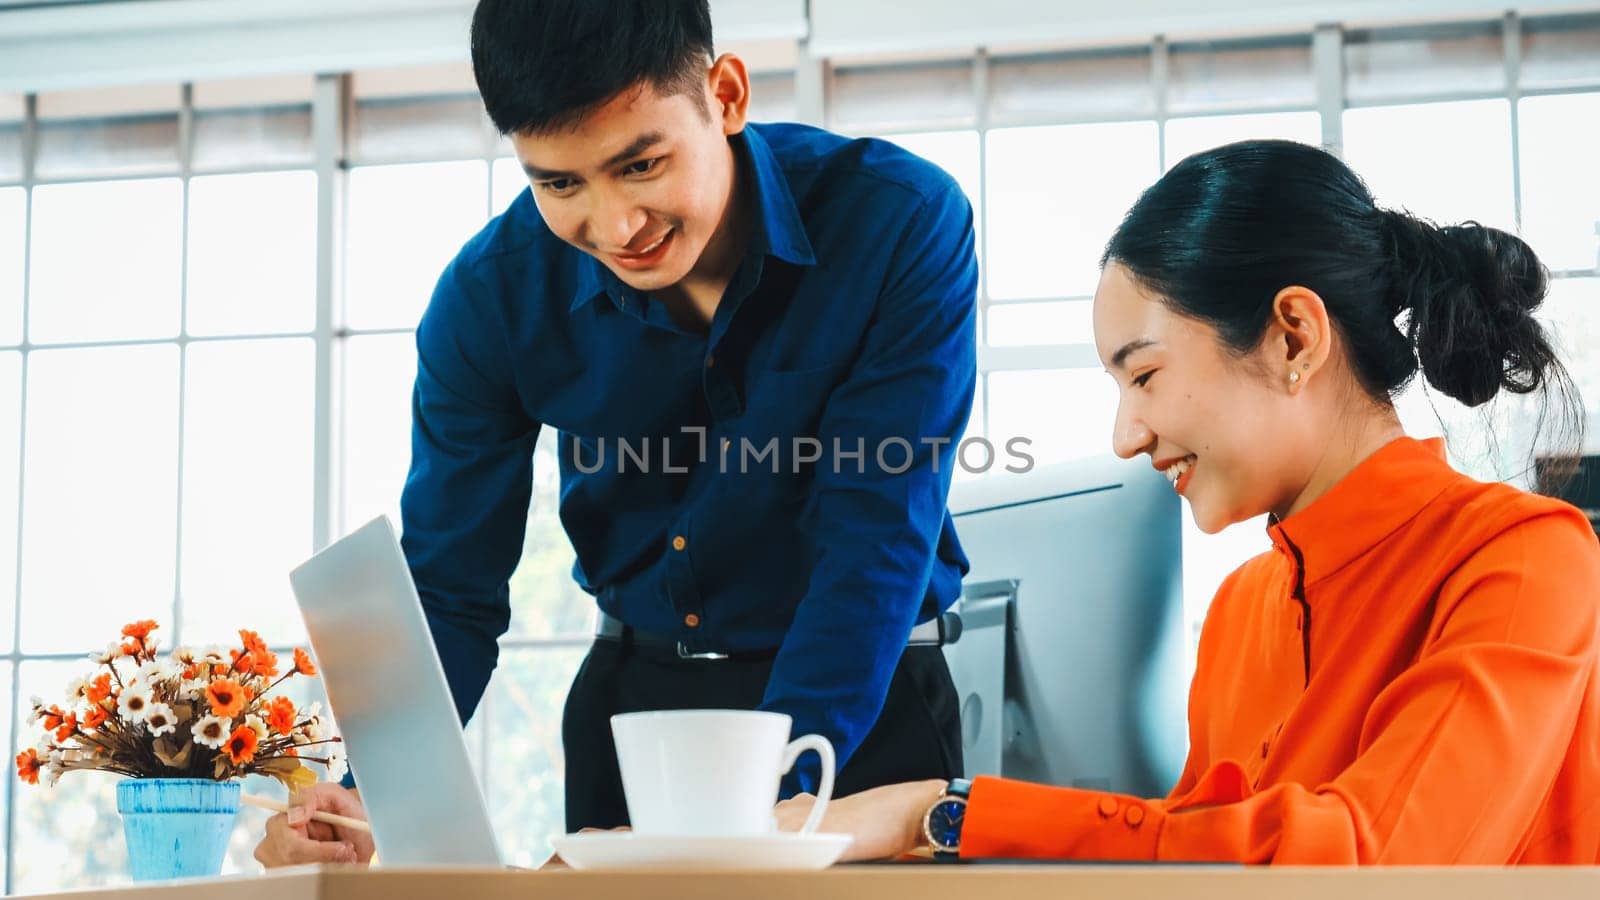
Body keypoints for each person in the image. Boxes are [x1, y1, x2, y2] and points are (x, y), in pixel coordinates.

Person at [254, 0, 977, 868]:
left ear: (727, 94)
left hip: (862, 717)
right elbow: (449, 589)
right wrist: (354, 796)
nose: (616, 224)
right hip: (636, 722)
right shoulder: (490, 298)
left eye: (641, 163)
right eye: (559, 183)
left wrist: (742, 815)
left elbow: (874, 540)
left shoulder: (898, 220)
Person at [774, 139, 1600, 864]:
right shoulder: (1244, 610)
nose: (1126, 436)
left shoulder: (1525, 558)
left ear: (1294, 337)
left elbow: (1373, 861)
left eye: (1145, 375)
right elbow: (1191, 862)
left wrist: (939, 812)